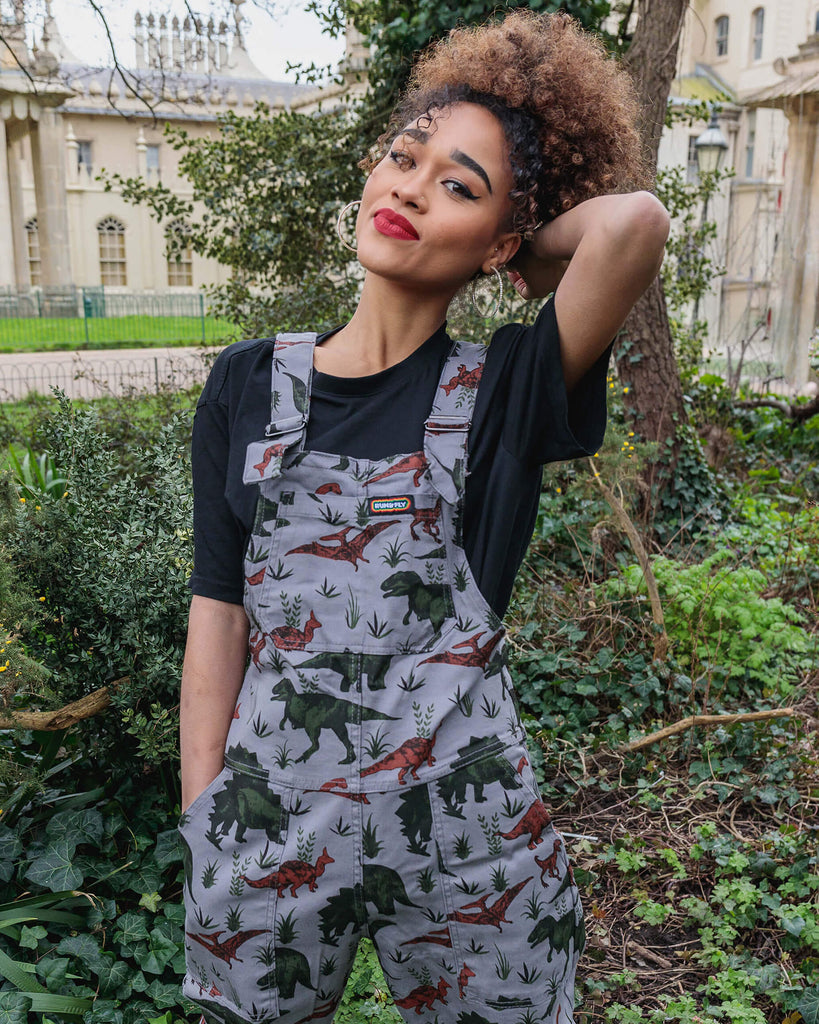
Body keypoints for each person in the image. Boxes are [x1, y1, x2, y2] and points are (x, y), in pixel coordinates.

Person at [178, 11, 669, 1024]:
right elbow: (217, 612)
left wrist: (527, 247)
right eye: (405, 158)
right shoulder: (245, 386)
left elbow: (632, 227)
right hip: (270, 828)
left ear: (502, 242)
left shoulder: (506, 393)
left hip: (471, 850)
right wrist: (205, 816)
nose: (410, 187)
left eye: (460, 185)